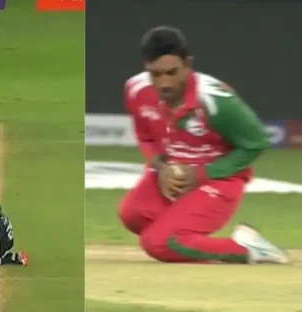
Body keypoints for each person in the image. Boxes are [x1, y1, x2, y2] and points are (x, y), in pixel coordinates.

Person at [119, 26, 288, 265]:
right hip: (174, 176)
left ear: (188, 64)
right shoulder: (136, 90)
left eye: (172, 72)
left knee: (157, 243)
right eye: (155, 74)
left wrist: (203, 174)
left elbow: (257, 143)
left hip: (218, 180)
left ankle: (249, 249)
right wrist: (161, 167)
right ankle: (185, 240)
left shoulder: (215, 100)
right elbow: (146, 138)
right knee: (132, 215)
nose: (164, 83)